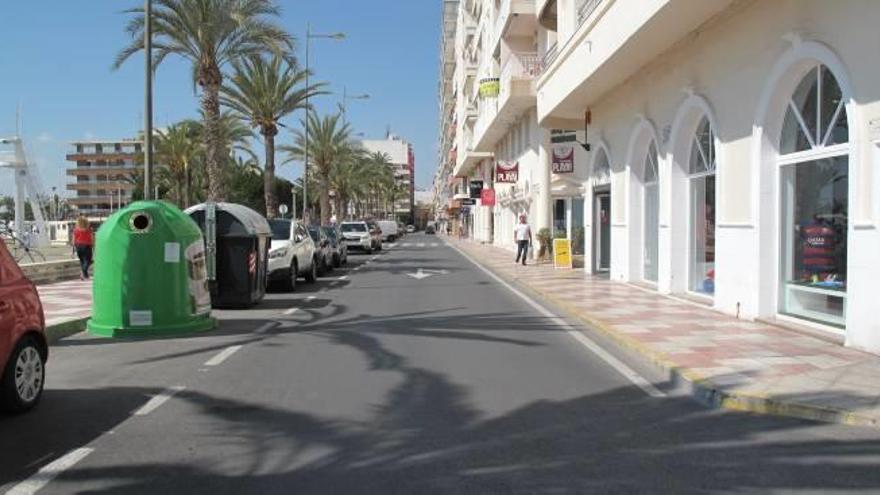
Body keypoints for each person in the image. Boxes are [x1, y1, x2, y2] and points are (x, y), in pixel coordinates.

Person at [72, 216, 94, 280]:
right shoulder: (89, 230)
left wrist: (74, 248)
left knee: (82, 261)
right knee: (88, 260)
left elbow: (73, 240)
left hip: (78, 246)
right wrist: (93, 245)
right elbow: (92, 239)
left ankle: (85, 275)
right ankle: (83, 273)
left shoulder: (75, 230)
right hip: (87, 246)